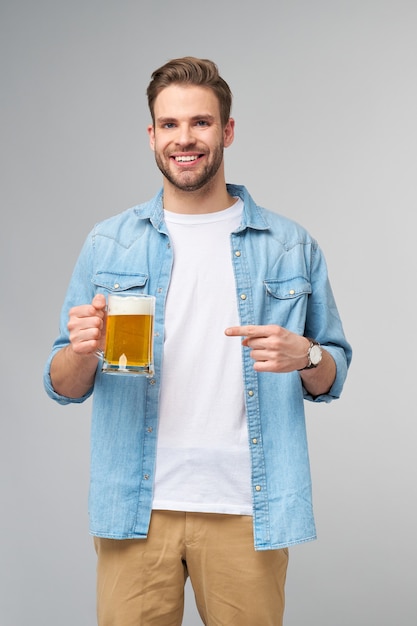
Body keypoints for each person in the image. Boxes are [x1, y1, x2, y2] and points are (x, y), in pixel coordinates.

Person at [44, 56, 352, 626]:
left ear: (227, 130)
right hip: (138, 510)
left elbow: (332, 373)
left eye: (201, 123)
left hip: (244, 509)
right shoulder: (108, 243)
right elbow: (62, 385)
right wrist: (80, 350)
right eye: (169, 124)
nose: (184, 139)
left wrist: (305, 354)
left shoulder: (288, 245)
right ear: (152, 134)